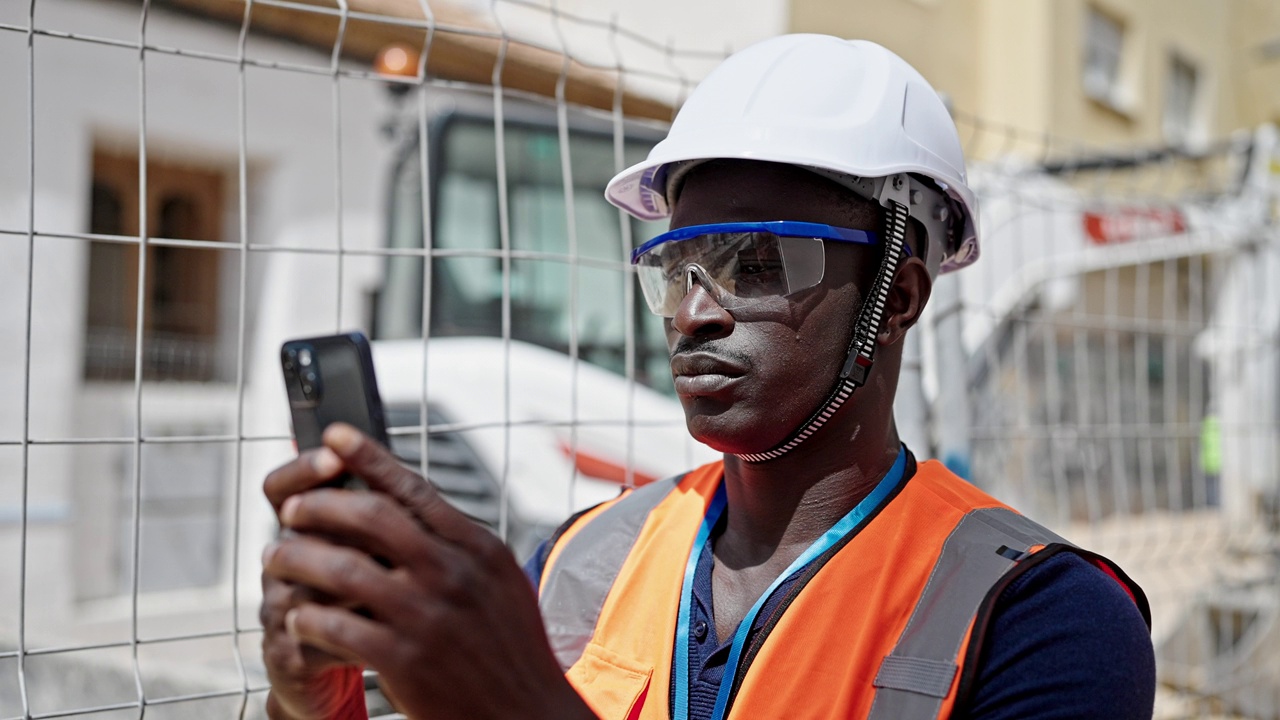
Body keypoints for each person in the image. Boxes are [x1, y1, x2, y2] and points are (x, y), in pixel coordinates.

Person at [259, 35, 1155, 720]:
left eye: (758, 264)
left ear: (899, 296)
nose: (693, 313)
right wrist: (322, 705)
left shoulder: (1048, 620)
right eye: (676, 267)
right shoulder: (578, 560)